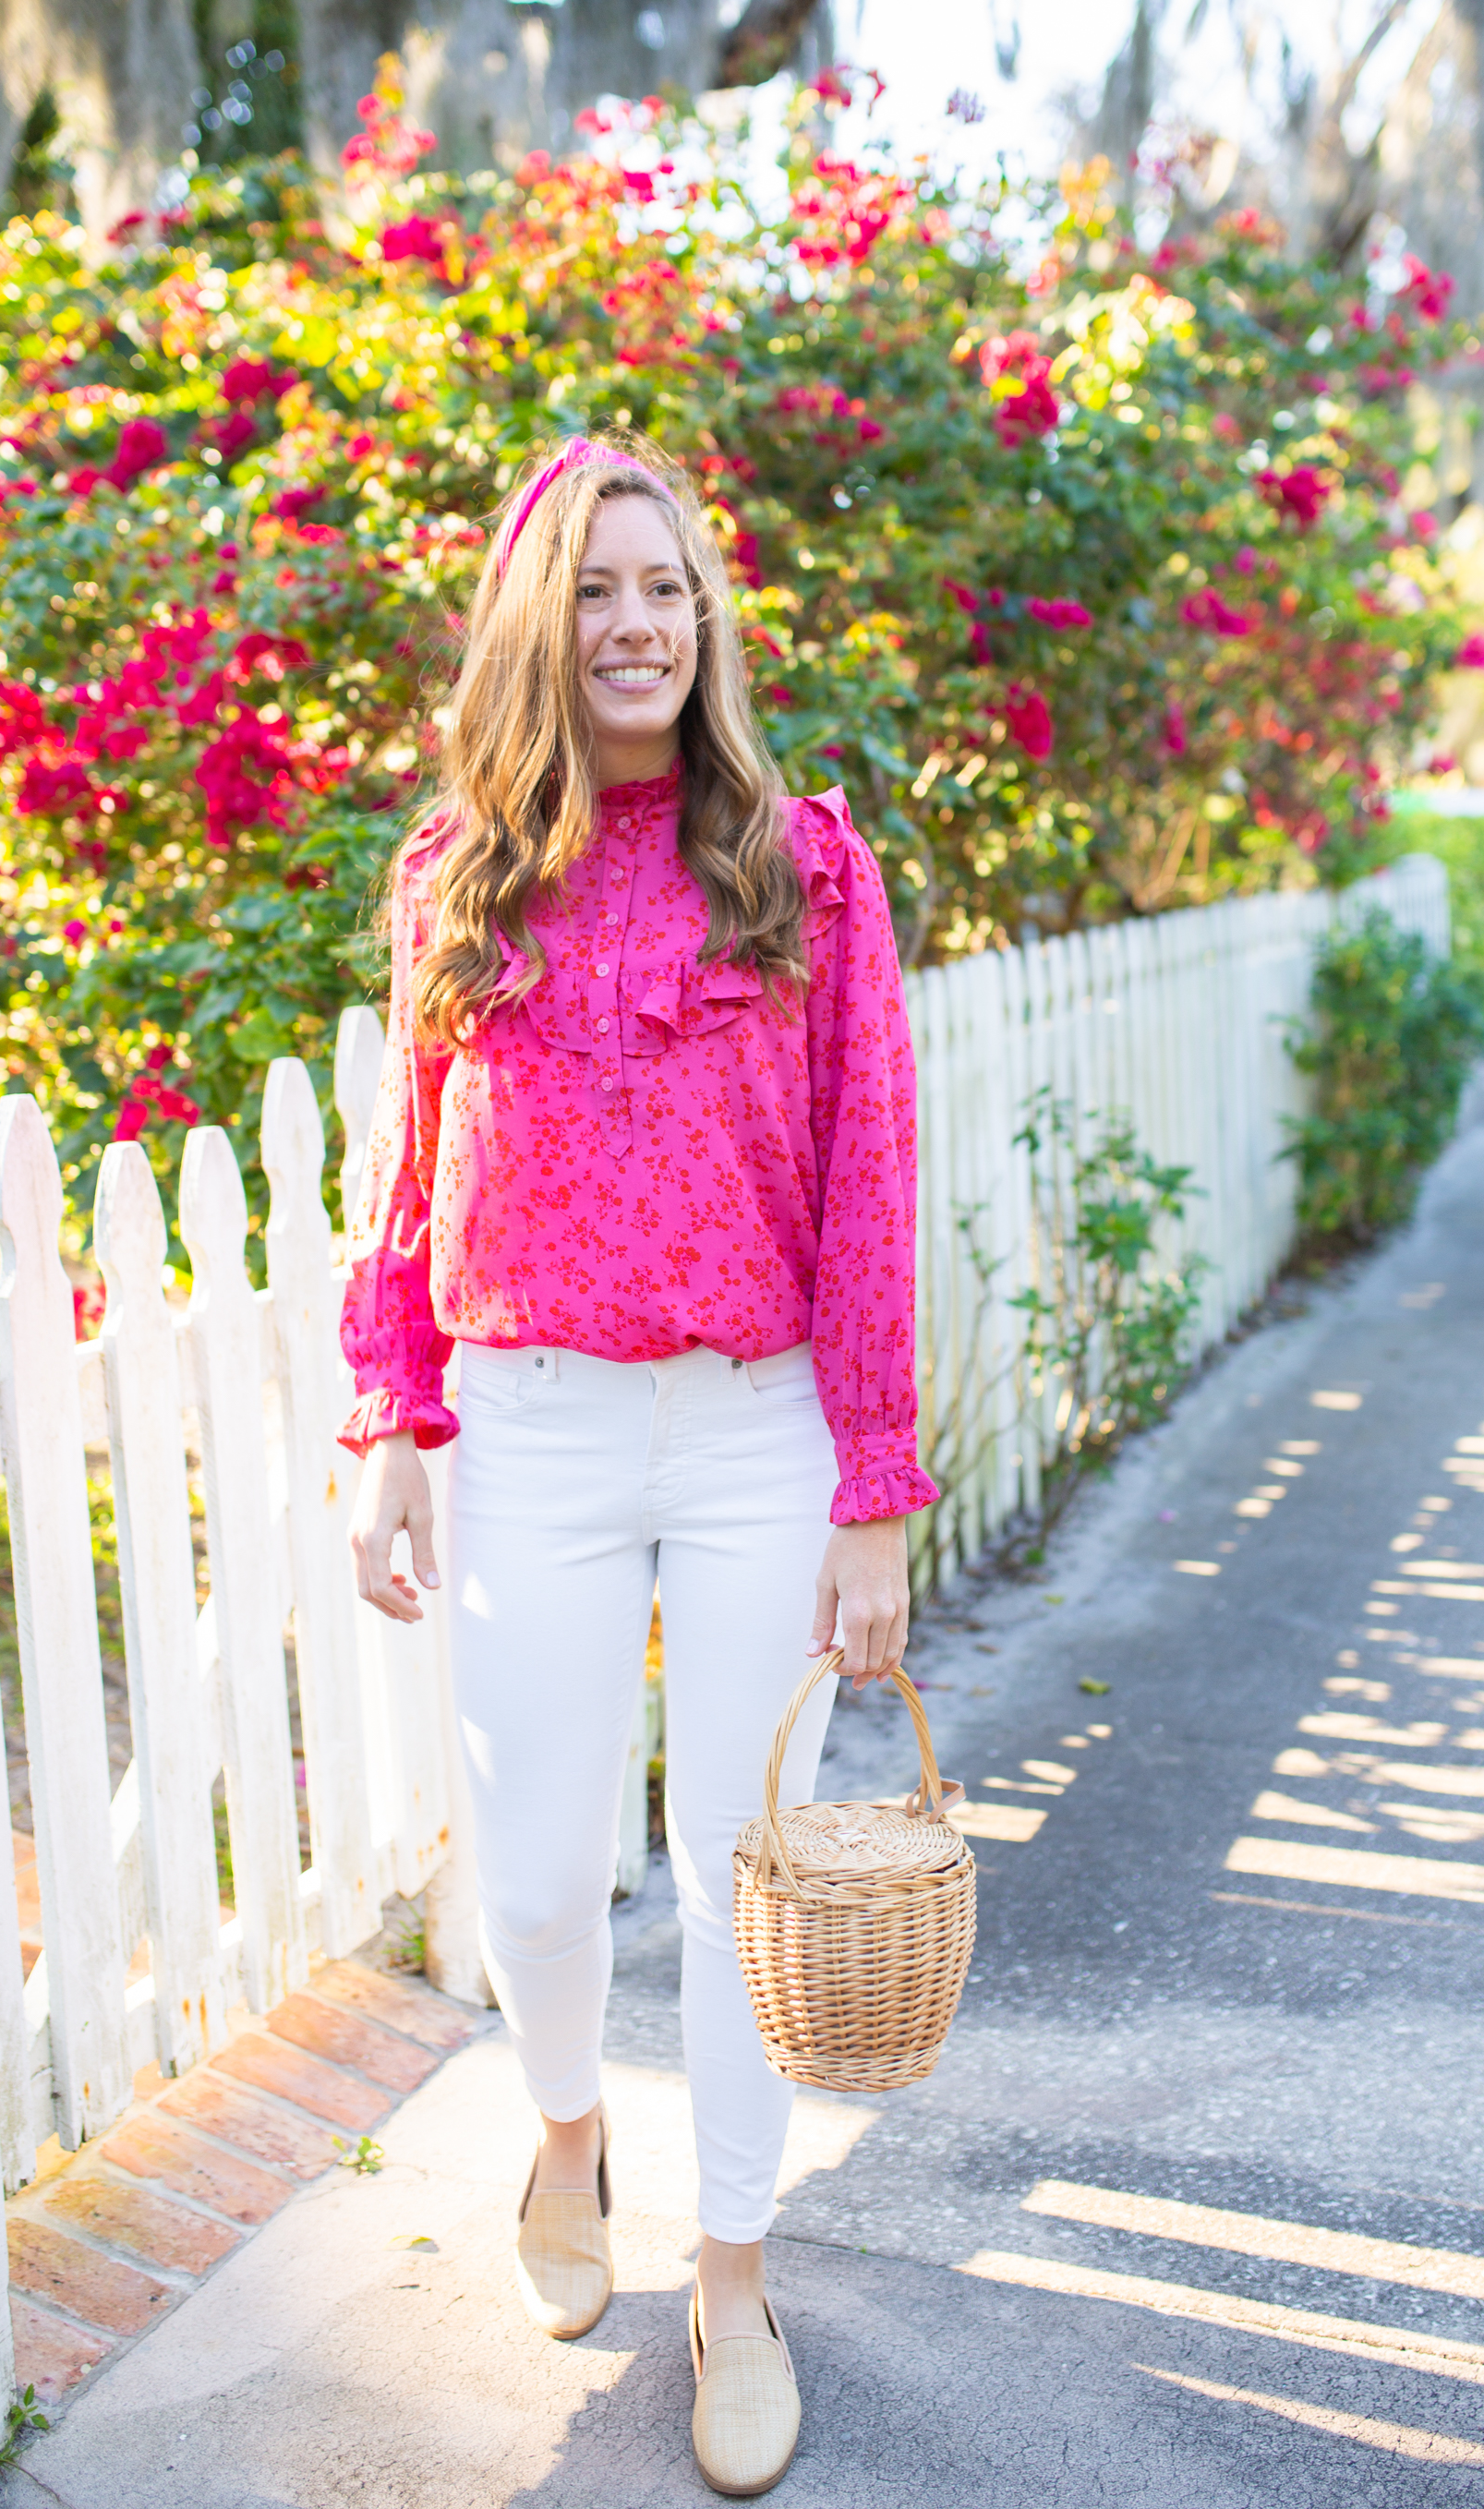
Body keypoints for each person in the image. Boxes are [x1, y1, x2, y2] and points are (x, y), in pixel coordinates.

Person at [340, 432, 936, 2499]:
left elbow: (869, 1184)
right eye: (593, 588)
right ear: (538, 621)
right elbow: (416, 1181)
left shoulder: (806, 868)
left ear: (708, 620)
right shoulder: (457, 875)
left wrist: (873, 1485)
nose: (633, 624)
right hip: (530, 1428)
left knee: (743, 1879)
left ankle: (737, 2279)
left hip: (760, 1427)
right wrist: (394, 1424)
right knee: (532, 1869)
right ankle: (569, 2129)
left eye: (664, 586)